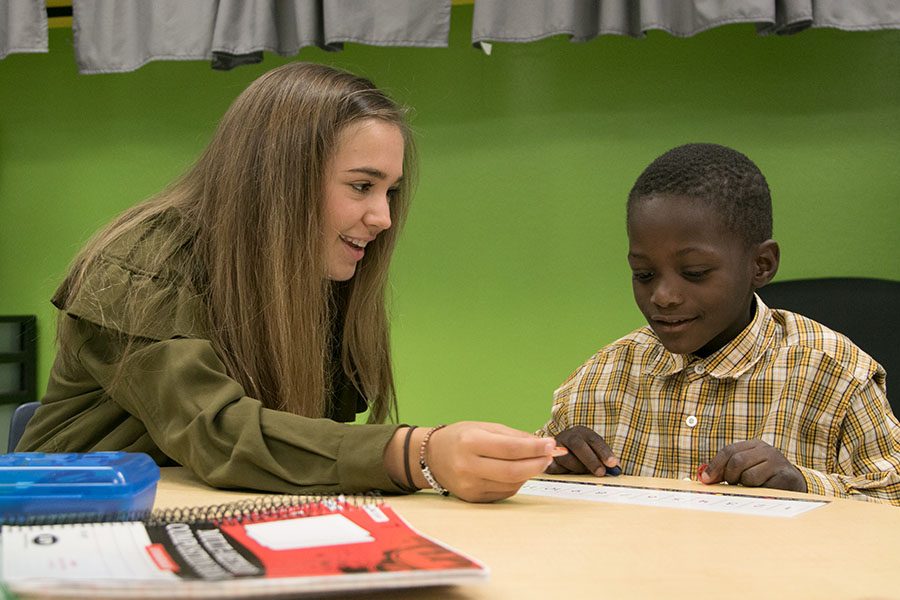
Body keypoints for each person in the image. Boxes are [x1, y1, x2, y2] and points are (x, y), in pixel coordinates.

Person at [18, 62, 563, 503]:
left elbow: (300, 449)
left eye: (390, 191)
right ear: (278, 178)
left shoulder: (310, 279)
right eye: (362, 186)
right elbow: (219, 435)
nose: (383, 217)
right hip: (68, 536)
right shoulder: (139, 261)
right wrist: (419, 454)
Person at [539, 143, 900, 505]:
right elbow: (525, 484)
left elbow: (892, 492)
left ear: (761, 265)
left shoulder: (836, 374)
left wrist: (803, 485)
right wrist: (551, 465)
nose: (662, 296)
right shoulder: (600, 378)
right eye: (644, 274)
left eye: (694, 273)